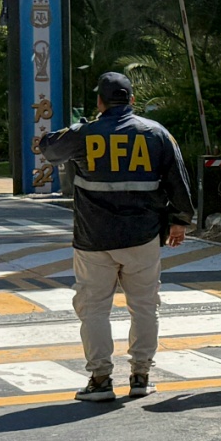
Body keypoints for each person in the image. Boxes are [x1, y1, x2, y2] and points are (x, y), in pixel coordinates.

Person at [35, 72, 194, 402]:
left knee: (94, 309)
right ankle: (141, 375)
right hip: (143, 238)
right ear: (132, 100)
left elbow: (48, 148)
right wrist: (180, 221)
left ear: (100, 102)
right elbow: (178, 180)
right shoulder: (156, 133)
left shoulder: (85, 133)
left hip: (94, 240)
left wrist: (78, 127)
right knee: (145, 308)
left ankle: (100, 379)